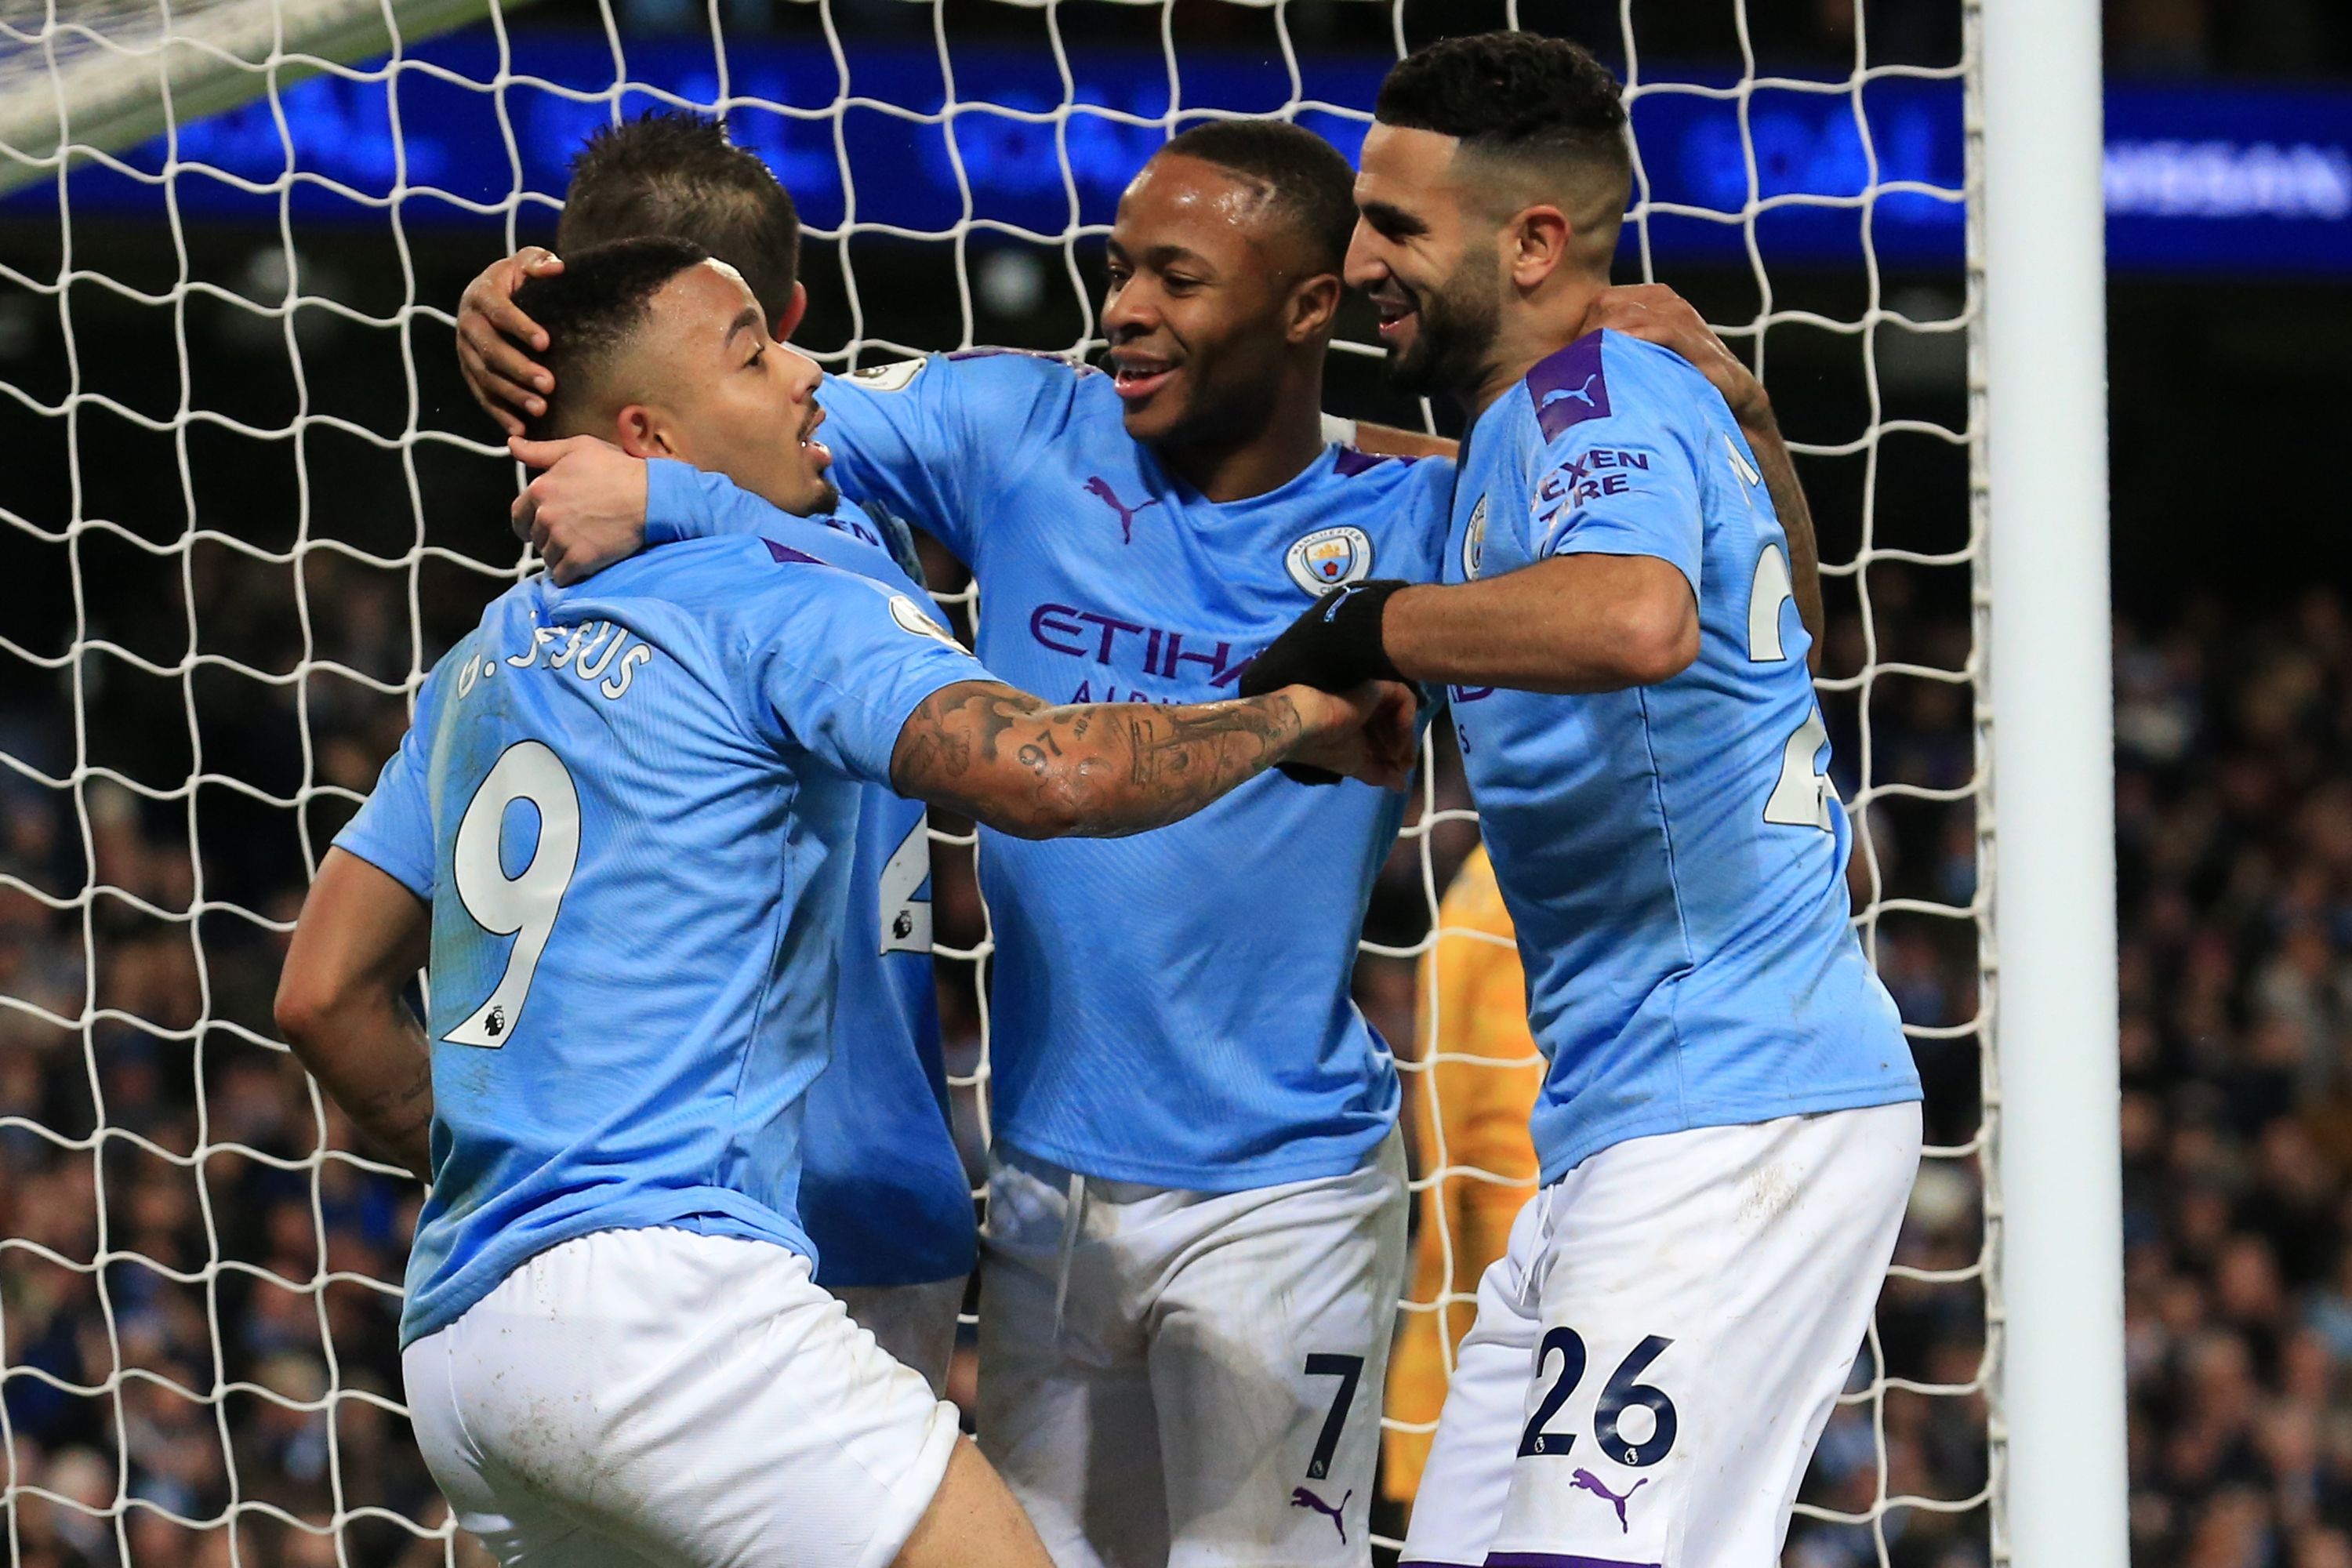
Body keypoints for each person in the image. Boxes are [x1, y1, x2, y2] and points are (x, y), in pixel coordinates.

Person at [271, 236, 1415, 1568]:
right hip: (670, 1296)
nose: (806, 372)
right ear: (650, 437)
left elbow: (320, 995)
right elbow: (1054, 773)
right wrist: (1297, 716)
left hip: (465, 1341)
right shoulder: (785, 595)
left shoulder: (486, 658)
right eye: (754, 352)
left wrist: (536, 1198)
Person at [1241, 33, 1925, 1568]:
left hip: (1733, 1113)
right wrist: (1753, 419)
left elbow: (1640, 618)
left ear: (1536, 242)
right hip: (1635, 1116)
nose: (1359, 263)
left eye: (1397, 227)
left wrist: (1371, 625)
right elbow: (1780, 644)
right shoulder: (1560, 426)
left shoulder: (1582, 408)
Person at [485, 113, 978, 1389]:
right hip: (863, 1196)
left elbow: (323, 992)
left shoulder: (528, 624)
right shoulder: (860, 541)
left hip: (583, 1220)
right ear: (793, 312)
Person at [1379, 844, 1543, 1509]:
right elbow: (1503, 1155)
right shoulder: (1537, 879)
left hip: (1459, 1353)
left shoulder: (1485, 877)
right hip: (1523, 1336)